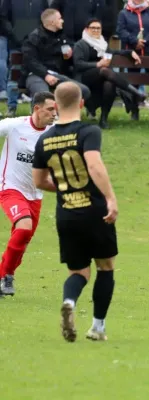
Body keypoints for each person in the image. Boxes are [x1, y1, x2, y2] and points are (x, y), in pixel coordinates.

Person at [32, 82, 118, 342]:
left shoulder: (45, 139)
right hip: (94, 210)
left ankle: (69, 301)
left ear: (55, 106)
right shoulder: (88, 131)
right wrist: (110, 198)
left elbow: (38, 181)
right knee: (105, 266)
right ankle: (97, 327)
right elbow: (93, 164)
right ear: (81, 103)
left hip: (66, 214)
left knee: (78, 272)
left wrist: (64, 190)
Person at [0, 92, 56, 296]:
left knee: (22, 240)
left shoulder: (54, 133)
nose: (53, 113)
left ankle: (5, 276)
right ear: (36, 109)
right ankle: (5, 277)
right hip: (10, 188)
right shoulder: (15, 125)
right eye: (50, 109)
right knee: (23, 228)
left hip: (36, 195)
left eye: (55, 110)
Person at [73, 18, 146, 129]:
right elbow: (78, 64)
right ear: (86, 29)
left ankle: (104, 119)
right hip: (85, 79)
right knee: (104, 70)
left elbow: (116, 52)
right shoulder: (80, 44)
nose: (96, 30)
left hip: (101, 80)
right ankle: (135, 93)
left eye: (98, 28)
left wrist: (130, 52)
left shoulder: (103, 44)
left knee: (109, 84)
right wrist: (97, 64)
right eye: (93, 28)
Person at [21, 9, 91, 102]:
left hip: (57, 75)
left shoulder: (61, 36)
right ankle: (38, 114)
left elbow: (71, 48)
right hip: (35, 75)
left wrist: (71, 51)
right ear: (52, 22)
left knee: (83, 91)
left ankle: (64, 114)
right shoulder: (34, 37)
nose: (62, 21)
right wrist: (46, 75)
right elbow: (31, 61)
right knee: (44, 97)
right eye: (60, 18)